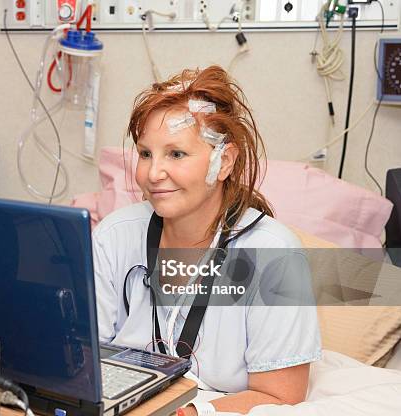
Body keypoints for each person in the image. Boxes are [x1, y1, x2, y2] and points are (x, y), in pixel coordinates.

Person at [92, 66, 321, 415]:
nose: (153, 174)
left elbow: (281, 396)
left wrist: (196, 412)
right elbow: (86, 358)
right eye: (145, 153)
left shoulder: (275, 255)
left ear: (223, 161)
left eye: (176, 154)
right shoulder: (113, 237)